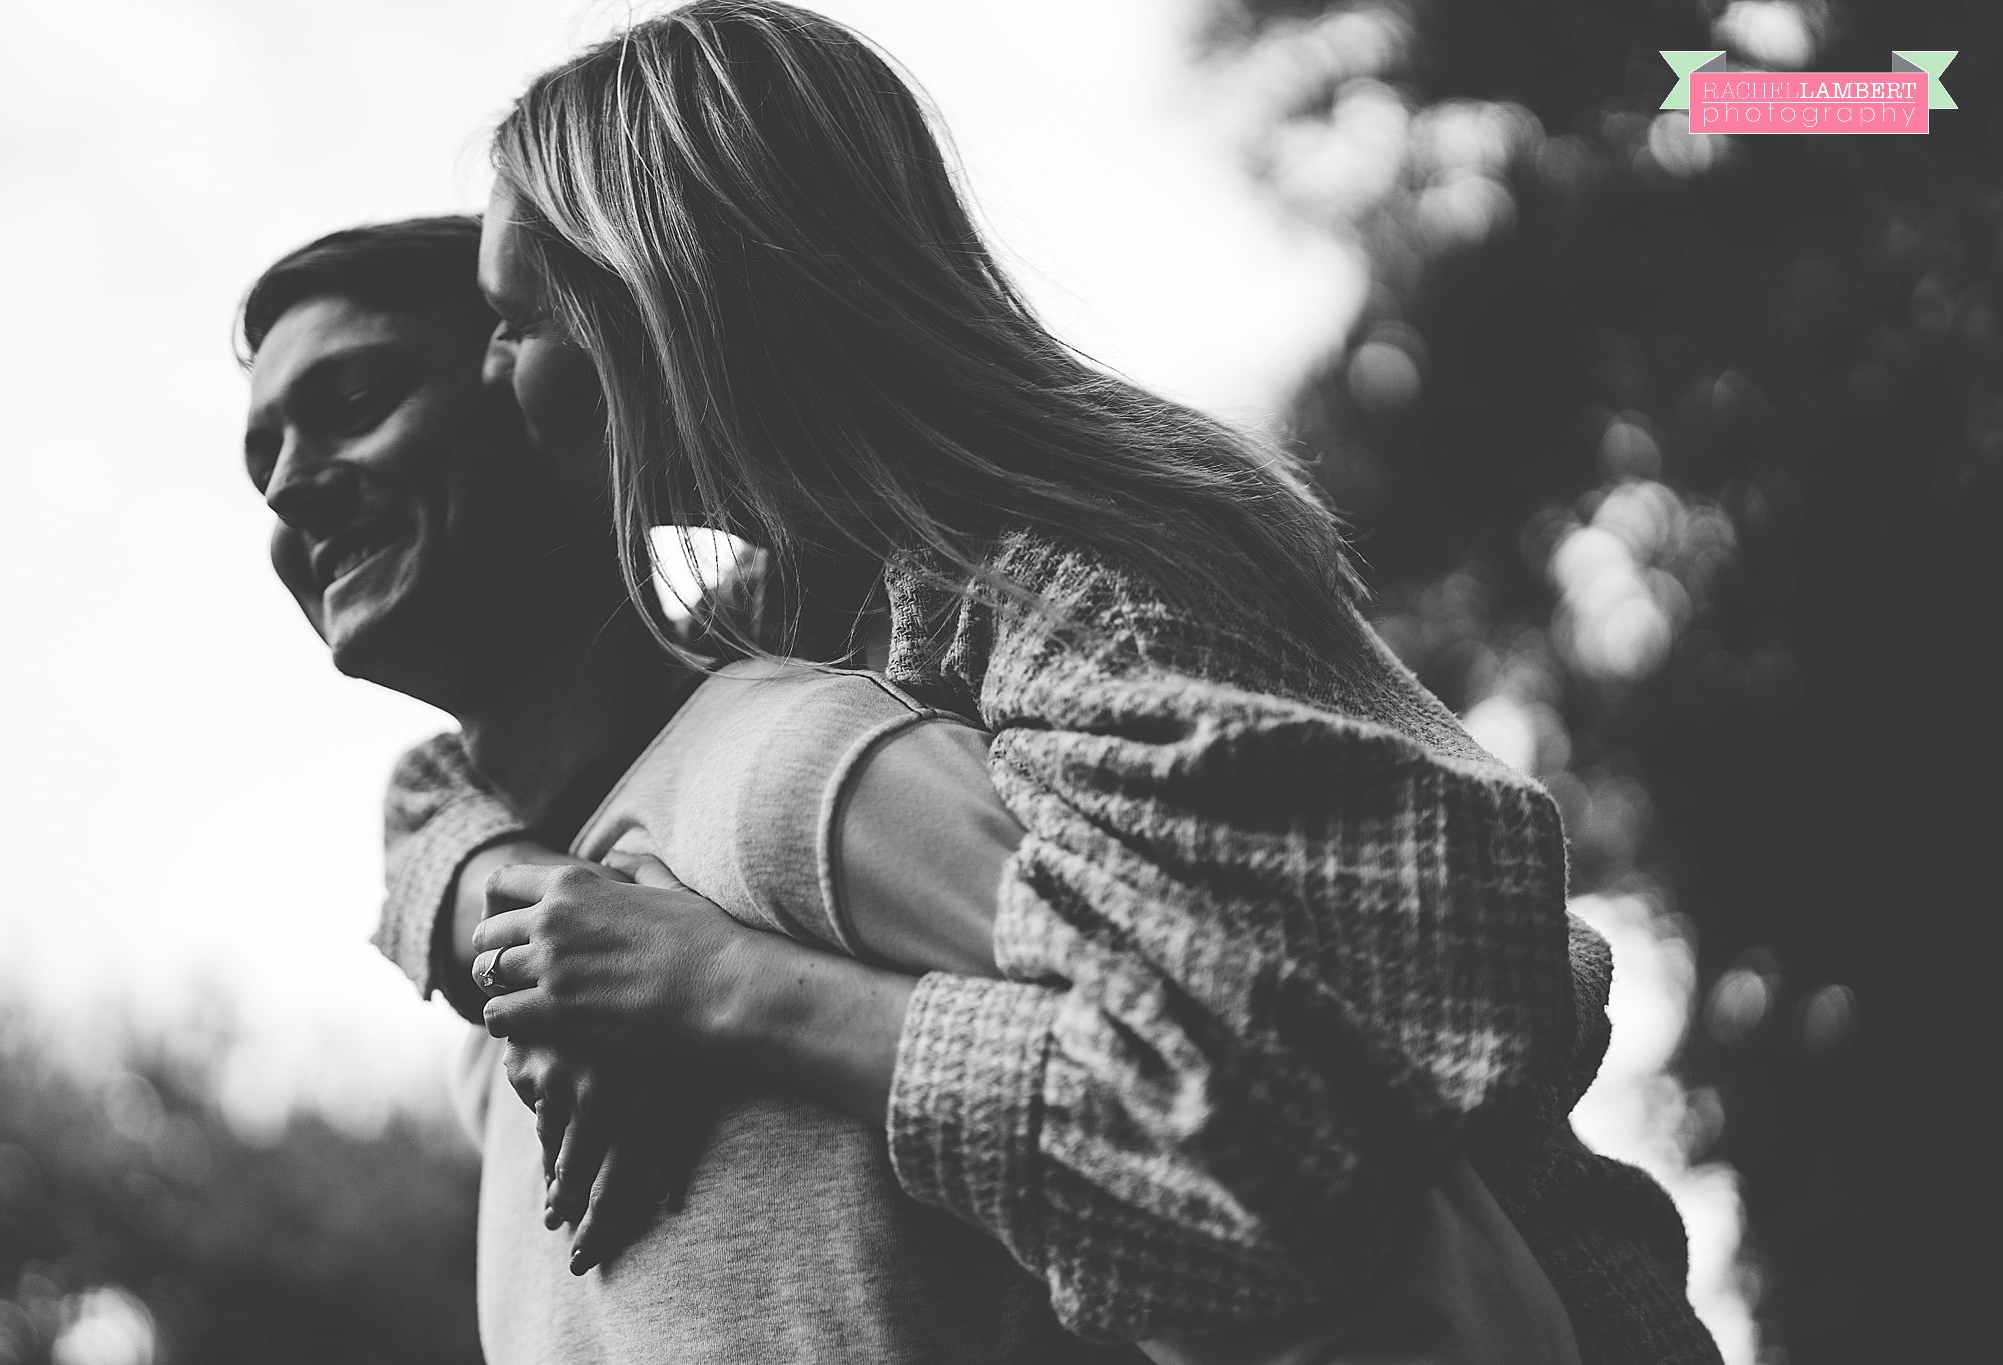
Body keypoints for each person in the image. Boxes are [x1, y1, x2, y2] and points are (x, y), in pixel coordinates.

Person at [386, 4, 1720, 1363]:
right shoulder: (794, 602)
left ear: (655, 307)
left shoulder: (1101, 589)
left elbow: (1240, 1156)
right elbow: (442, 788)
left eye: (511, 324)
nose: (487, 382)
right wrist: (534, 907)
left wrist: (718, 983)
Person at [239, 217, 1145, 1362]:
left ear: (544, 396)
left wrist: (732, 990)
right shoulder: (498, 1038)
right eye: (259, 457)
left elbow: (1235, 1118)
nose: (285, 489)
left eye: (355, 400)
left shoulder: (811, 772)